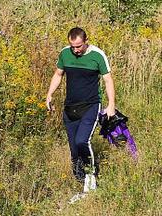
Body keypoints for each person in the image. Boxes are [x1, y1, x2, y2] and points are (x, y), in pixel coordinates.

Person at [45, 27, 115, 198]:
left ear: (86, 41)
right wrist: (49, 94)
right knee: (74, 148)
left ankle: (91, 177)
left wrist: (111, 104)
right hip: (70, 107)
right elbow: (58, 74)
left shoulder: (97, 55)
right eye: (72, 46)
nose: (75, 50)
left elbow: (108, 80)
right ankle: (79, 180)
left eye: (78, 46)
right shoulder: (65, 54)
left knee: (83, 141)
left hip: (90, 105)